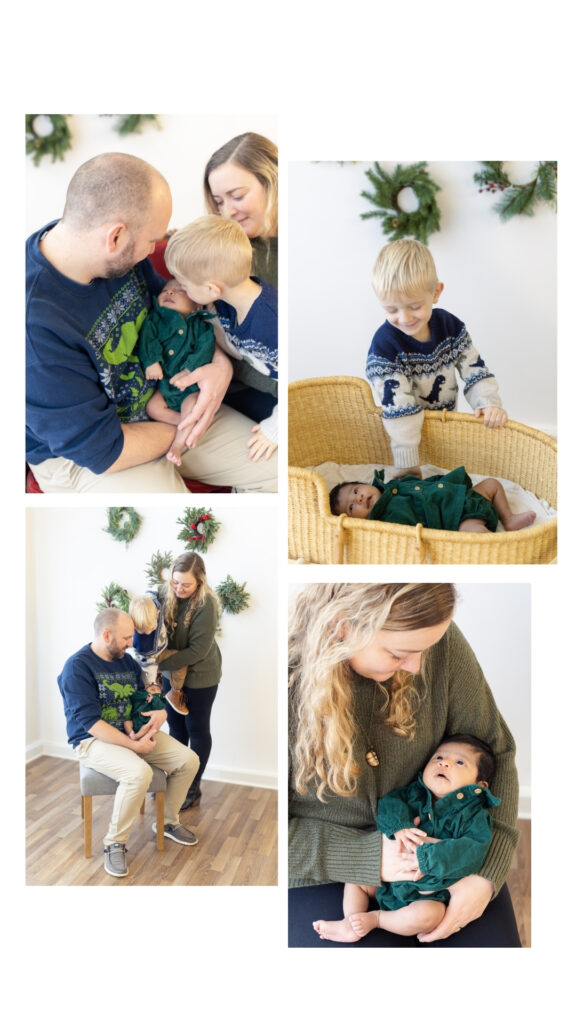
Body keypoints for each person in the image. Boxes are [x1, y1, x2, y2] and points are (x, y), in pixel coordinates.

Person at [26, 151, 277, 493]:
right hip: (98, 453)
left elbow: (179, 313)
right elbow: (102, 451)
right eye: (152, 242)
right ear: (115, 237)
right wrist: (181, 429)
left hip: (168, 400)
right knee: (177, 518)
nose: (154, 252)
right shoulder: (33, 325)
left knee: (282, 476)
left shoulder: (113, 255)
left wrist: (220, 366)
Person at [288, 583, 522, 947]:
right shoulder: (285, 681)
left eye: (424, 651)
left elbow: (497, 754)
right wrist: (363, 856)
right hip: (323, 872)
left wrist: (486, 874)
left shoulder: (432, 639)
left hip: (449, 865)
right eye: (399, 654)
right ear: (344, 626)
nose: (416, 667)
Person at [313, 734, 500, 942]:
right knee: (357, 877)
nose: (444, 763)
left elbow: (472, 850)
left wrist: (427, 858)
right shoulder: (414, 793)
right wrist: (399, 826)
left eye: (459, 762)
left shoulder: (474, 815)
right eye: (438, 758)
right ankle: (350, 922)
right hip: (387, 880)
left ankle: (377, 918)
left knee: (430, 915)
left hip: (427, 893)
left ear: (480, 785)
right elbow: (389, 805)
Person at [57, 608, 200, 878]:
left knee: (189, 760)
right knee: (138, 773)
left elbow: (146, 694)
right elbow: (92, 725)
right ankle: (114, 843)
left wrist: (160, 712)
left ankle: (167, 822)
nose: (131, 643)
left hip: (131, 731)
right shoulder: (77, 668)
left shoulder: (127, 661)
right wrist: (134, 747)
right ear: (106, 634)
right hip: (92, 740)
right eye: (126, 637)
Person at [365, 238, 508, 476]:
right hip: (405, 436)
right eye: (391, 310)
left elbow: (474, 369)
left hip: (444, 423)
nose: (405, 317)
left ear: (436, 292)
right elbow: (398, 408)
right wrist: (408, 467)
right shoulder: (384, 346)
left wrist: (488, 402)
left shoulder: (449, 326)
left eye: (414, 306)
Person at [165, 216, 278, 466]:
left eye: (183, 284)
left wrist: (274, 431)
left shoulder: (271, 324)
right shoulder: (224, 301)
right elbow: (218, 329)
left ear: (212, 289)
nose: (180, 289)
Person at [157, 553, 222, 810]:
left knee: (196, 728)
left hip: (200, 675)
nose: (179, 589)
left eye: (186, 585)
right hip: (170, 676)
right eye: (175, 583)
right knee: (175, 729)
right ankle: (176, 781)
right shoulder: (165, 596)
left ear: (199, 582)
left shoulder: (205, 606)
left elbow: (197, 651)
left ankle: (192, 786)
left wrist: (157, 664)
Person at [136, 278, 216, 466]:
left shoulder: (201, 326)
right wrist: (152, 361)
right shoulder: (155, 319)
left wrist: (190, 368)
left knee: (192, 404)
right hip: (165, 386)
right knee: (153, 408)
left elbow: (205, 348)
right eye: (165, 290)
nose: (170, 292)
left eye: (180, 291)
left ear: (197, 305)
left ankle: (178, 445)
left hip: (191, 387)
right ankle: (186, 422)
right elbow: (147, 339)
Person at [329, 466, 536, 533]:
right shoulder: (384, 520)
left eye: (356, 491)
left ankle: (507, 518)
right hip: (457, 517)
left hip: (465, 495)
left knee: (492, 484)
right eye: (352, 506)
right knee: (475, 534)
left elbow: (415, 478)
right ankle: (501, 542)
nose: (360, 498)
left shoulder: (391, 485)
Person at [203, 132, 278, 287]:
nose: (227, 213)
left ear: (273, 184)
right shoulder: (220, 253)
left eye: (238, 196)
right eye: (219, 202)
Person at [129, 593, 188, 713]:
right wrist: (151, 682)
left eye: (151, 628)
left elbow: (153, 591)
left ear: (157, 612)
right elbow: (148, 664)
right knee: (181, 661)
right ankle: (175, 692)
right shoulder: (144, 644)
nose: (148, 632)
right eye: (143, 630)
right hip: (154, 655)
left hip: (161, 645)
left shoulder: (154, 602)